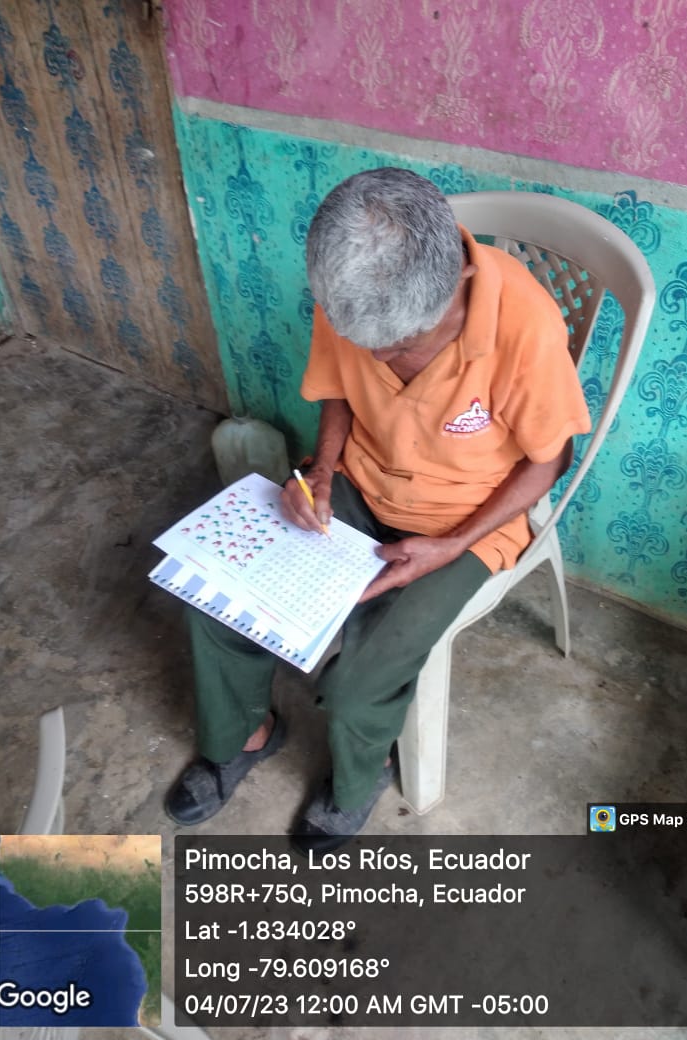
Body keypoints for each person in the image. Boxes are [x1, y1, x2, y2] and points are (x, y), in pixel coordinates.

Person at [165, 167, 591, 855]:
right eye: (368, 343)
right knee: (217, 596)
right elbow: (340, 388)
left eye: (401, 345)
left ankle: (357, 782)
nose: (381, 357)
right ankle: (244, 735)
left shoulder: (526, 326)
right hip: (361, 482)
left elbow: (550, 460)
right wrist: (322, 470)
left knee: (360, 684)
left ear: (458, 282)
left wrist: (451, 545)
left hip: (468, 519)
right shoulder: (353, 290)